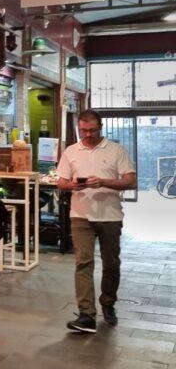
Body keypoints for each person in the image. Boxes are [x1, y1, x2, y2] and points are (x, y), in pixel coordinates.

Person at [56, 109, 136, 333]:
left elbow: (130, 181)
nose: (87, 134)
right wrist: (72, 185)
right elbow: (61, 181)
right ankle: (86, 315)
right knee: (83, 263)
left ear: (100, 127)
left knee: (111, 263)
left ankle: (108, 302)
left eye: (91, 130)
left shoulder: (115, 150)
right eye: (83, 130)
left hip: (110, 216)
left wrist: (103, 182)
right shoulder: (71, 151)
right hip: (80, 215)